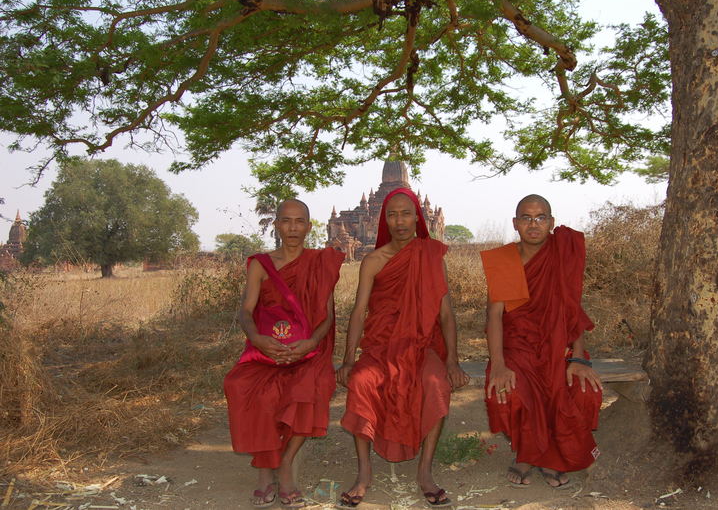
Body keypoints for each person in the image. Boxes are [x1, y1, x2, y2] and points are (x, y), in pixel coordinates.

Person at [336, 188, 470, 509]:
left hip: (420, 345)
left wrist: (452, 361)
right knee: (362, 382)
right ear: (384, 219)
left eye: (406, 213)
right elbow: (359, 312)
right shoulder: (373, 260)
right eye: (392, 214)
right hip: (381, 346)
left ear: (417, 218)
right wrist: (347, 360)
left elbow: (446, 314)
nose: (399, 221)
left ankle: (425, 472)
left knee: (436, 384)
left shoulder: (431, 255)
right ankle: (364, 473)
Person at [224, 199, 344, 508]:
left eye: (299, 221)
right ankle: (265, 470)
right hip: (266, 349)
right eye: (286, 221)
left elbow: (328, 317)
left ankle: (287, 463)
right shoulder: (259, 264)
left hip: (308, 349)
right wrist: (258, 340)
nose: (293, 228)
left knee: (309, 386)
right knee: (245, 387)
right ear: (276, 225)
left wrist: (312, 343)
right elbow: (246, 311)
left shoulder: (321, 263)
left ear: (309, 226)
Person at [480, 194, 603, 489]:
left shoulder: (563, 252)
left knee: (581, 391)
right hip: (516, 348)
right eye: (526, 217)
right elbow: (494, 316)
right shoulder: (505, 260)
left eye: (540, 218)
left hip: (559, 348)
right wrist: (498, 364)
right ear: (515, 223)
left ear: (551, 222)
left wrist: (579, 358)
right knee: (509, 392)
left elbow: (571, 310)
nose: (533, 224)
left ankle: (547, 456)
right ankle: (527, 454)